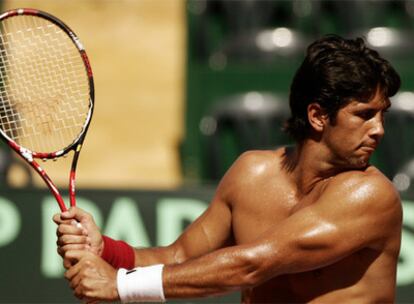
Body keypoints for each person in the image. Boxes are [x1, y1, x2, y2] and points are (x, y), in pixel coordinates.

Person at [54, 34, 403, 303]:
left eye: (382, 114)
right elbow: (178, 256)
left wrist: (120, 285)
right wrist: (107, 252)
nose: (379, 129)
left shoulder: (371, 194)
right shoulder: (251, 173)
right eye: (364, 114)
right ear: (317, 116)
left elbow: (253, 265)